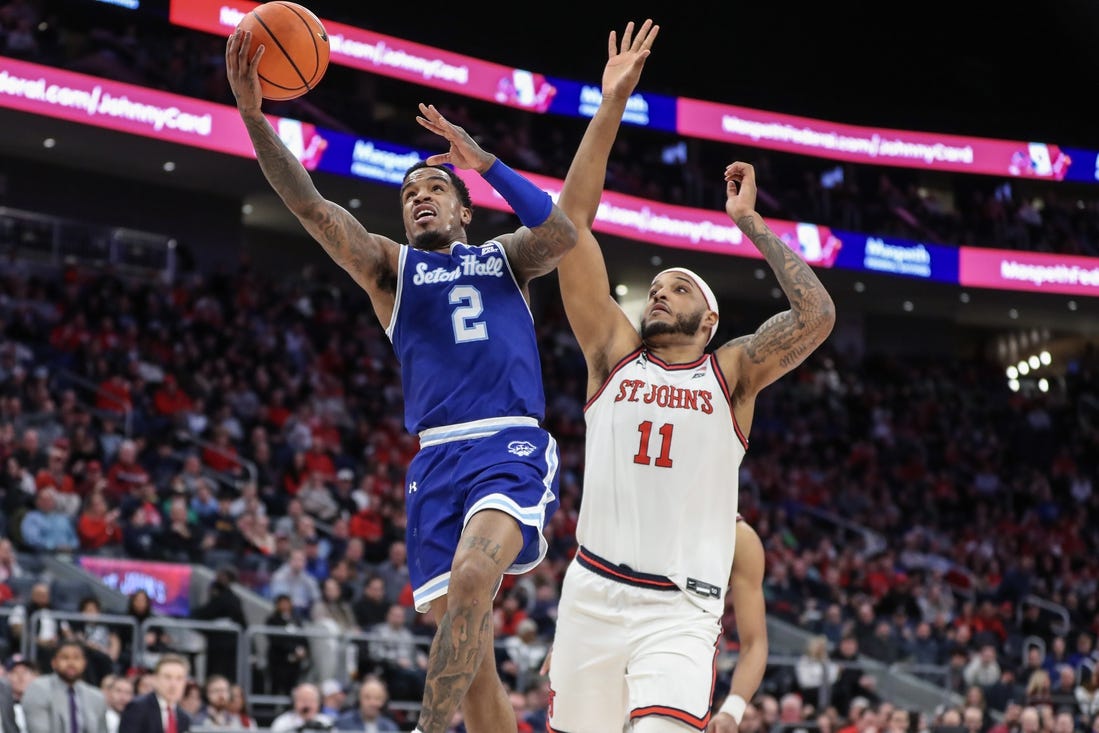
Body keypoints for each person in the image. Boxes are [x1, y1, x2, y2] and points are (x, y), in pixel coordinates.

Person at [226, 21, 578, 733]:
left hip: (506, 444)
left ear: (463, 208)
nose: (419, 195)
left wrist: (485, 163)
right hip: (435, 458)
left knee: (478, 580)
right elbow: (310, 206)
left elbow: (564, 234)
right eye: (410, 190)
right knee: (469, 658)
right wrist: (254, 117)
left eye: (434, 186)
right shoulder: (392, 268)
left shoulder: (505, 257)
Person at [545, 19, 833, 733]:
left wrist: (752, 223)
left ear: (707, 321)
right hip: (590, 591)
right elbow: (570, 226)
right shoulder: (612, 352)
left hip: (678, 608)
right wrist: (610, 105)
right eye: (658, 285)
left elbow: (817, 314)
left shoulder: (730, 371)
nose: (661, 292)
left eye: (679, 288)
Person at [21, 639, 109, 733]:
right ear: (54, 663)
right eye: (65, 658)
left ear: (84, 663)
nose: (71, 663)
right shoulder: (38, 689)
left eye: (77, 658)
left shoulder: (96, 696)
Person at [118, 654, 191, 733]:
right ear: (155, 679)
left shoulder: (184, 718)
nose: (173, 684)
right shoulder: (137, 708)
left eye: (179, 678)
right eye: (167, 677)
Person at [335, 676, 400, 732]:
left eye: (377, 698)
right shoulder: (343, 724)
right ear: (359, 698)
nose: (372, 703)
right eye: (367, 697)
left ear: (383, 701)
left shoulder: (390, 728)